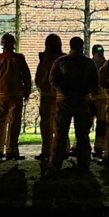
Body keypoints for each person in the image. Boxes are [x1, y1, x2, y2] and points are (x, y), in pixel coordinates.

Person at [48, 36, 99, 172]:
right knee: (82, 133)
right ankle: (84, 163)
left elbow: (53, 79)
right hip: (82, 101)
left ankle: (55, 163)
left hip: (64, 101)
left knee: (60, 133)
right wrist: (84, 92)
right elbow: (95, 81)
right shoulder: (89, 63)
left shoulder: (61, 61)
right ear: (82, 46)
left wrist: (64, 91)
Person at [0, 32, 32, 161]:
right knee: (14, 123)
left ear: (2, 45)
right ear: (13, 44)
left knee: (0, 122)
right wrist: (27, 92)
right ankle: (11, 151)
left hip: (0, 96)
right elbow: (26, 76)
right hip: (16, 96)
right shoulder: (18, 58)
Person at [34, 34, 66, 162]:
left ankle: (46, 150)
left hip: (47, 96)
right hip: (61, 96)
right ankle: (63, 149)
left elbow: (38, 80)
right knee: (61, 123)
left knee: (46, 124)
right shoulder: (64, 59)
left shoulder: (45, 60)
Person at [91, 43, 109, 160]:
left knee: (102, 124)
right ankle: (80, 146)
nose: (100, 55)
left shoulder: (106, 65)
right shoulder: (90, 64)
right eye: (98, 52)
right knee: (85, 123)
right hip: (91, 97)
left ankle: (100, 147)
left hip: (101, 98)